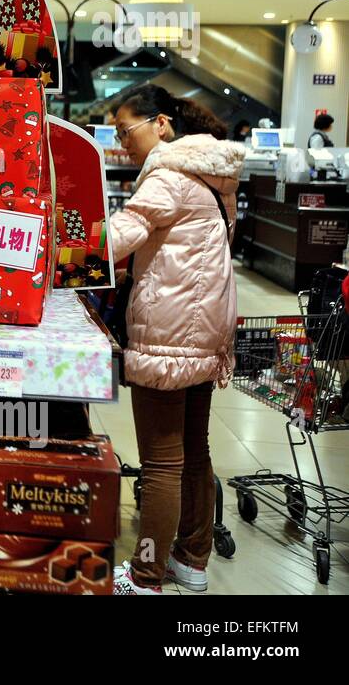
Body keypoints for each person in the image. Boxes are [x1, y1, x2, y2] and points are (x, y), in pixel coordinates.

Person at [106, 86, 246, 595]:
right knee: (194, 454)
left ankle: (145, 576)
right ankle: (191, 561)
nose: (122, 143)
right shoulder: (212, 174)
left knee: (162, 463)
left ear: (161, 124)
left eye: (126, 130)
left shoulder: (168, 174)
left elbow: (126, 231)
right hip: (205, 329)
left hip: (169, 332)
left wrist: (64, 245)